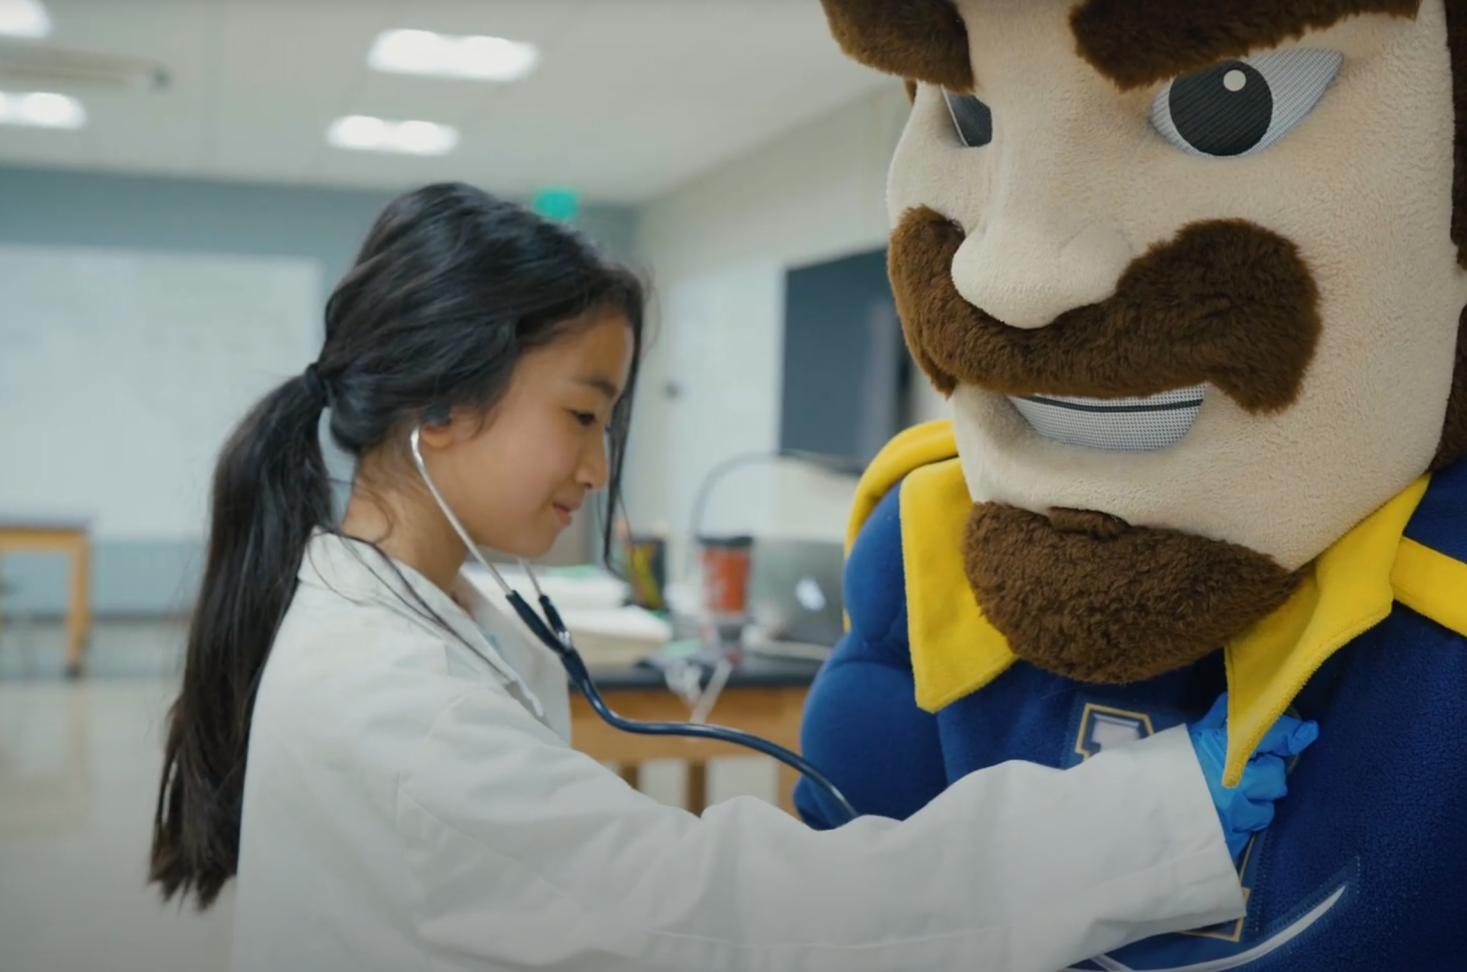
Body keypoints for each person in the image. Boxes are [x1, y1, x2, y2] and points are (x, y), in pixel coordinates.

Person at [146, 183, 1319, 972]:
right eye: (582, 415)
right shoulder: (390, 702)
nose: (599, 469)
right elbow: (716, 912)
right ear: (446, 400)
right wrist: (1146, 822)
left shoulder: (409, 609)